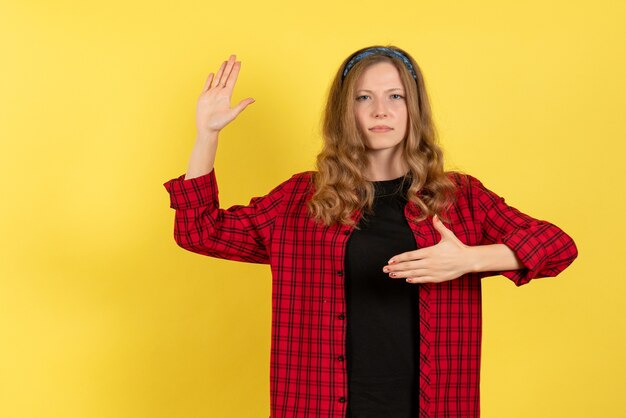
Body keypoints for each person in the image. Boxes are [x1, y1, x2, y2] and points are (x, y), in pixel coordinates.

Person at [163, 46, 578, 418]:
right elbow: (200, 231)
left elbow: (558, 247)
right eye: (365, 98)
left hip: (434, 407)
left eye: (395, 97)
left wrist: (470, 259)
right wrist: (207, 135)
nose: (381, 110)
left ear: (413, 109)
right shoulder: (300, 198)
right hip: (318, 405)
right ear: (346, 113)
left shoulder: (461, 198)